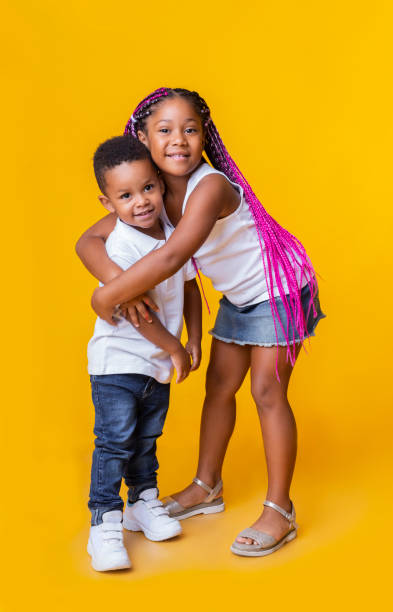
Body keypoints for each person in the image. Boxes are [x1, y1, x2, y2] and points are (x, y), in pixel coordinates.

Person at [76, 88, 325, 558]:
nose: (179, 141)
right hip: (239, 294)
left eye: (191, 129)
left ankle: (280, 509)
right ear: (142, 138)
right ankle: (206, 486)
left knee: (266, 392)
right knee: (218, 388)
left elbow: (173, 255)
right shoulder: (149, 191)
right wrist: (115, 282)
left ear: (205, 136)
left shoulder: (209, 187)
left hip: (280, 288)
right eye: (165, 130)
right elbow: (90, 239)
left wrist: (107, 295)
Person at [83, 134, 202, 571]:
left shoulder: (174, 234)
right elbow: (139, 315)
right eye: (126, 196)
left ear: (159, 183)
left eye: (148, 188)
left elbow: (190, 285)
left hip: (155, 366)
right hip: (118, 363)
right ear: (107, 202)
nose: (141, 202)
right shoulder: (122, 245)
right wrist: (174, 347)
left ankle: (142, 504)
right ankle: (104, 521)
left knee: (146, 440)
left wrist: (193, 339)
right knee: (115, 442)